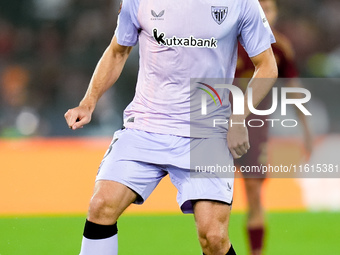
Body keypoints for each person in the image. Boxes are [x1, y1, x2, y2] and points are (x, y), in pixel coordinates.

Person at [64, 0, 278, 254]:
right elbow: (117, 51)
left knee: (214, 238)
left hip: (206, 133)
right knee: (101, 205)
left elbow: (266, 66)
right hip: (145, 125)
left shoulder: (240, 3)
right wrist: (89, 102)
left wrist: (238, 118)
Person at [234, 0, 313, 254]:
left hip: (255, 130)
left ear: (276, 13)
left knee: (254, 194)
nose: (265, 15)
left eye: (269, 10)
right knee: (214, 198)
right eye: (261, 9)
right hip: (217, 126)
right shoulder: (230, 42)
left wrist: (307, 131)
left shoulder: (280, 48)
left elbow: (294, 92)